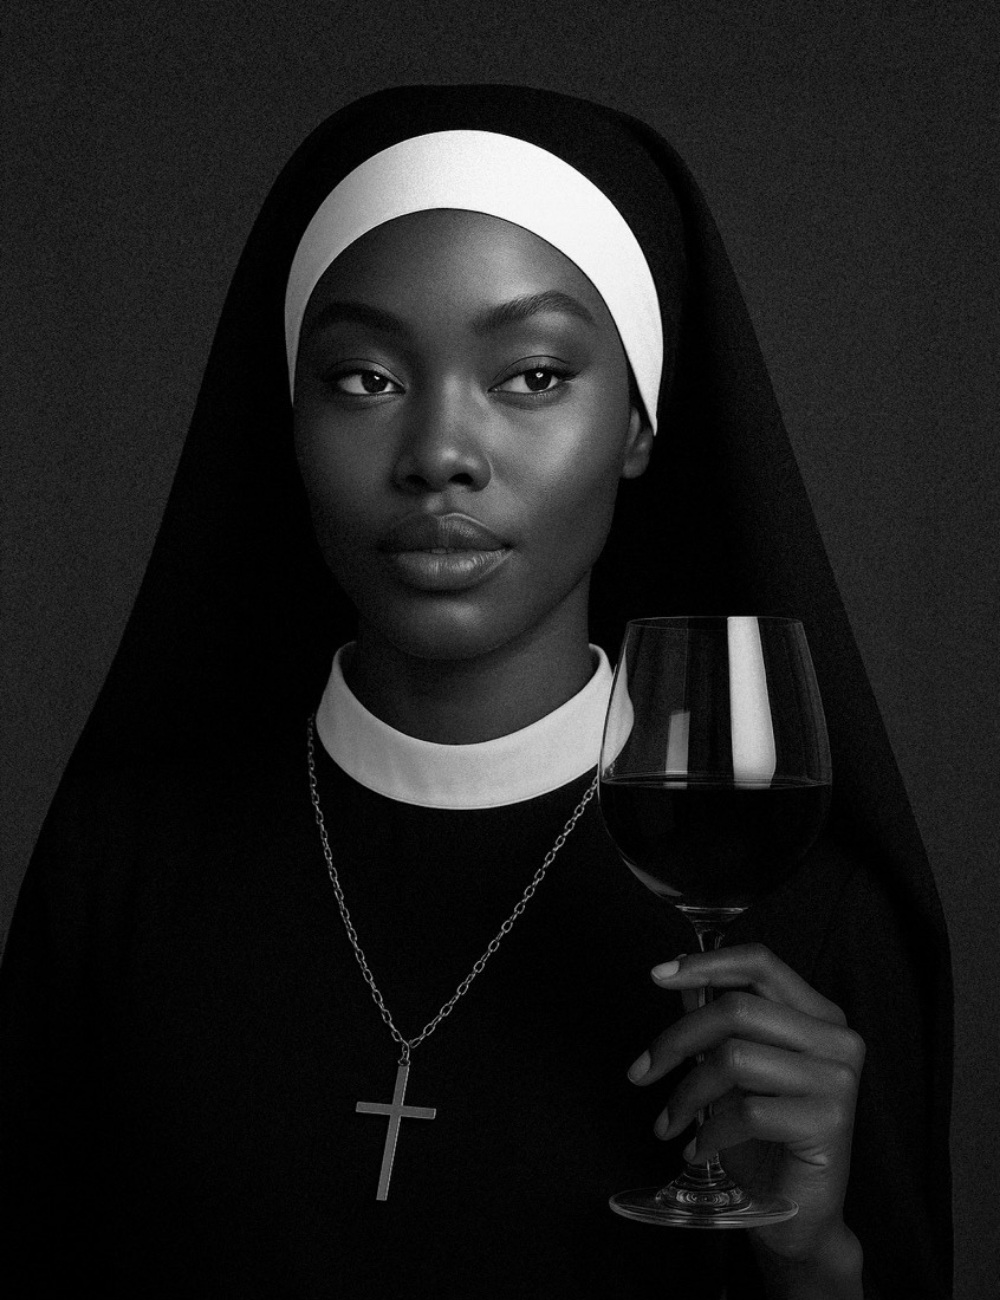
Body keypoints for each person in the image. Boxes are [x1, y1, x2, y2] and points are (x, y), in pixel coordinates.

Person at [0, 85, 952, 1298]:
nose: (440, 451)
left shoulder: (811, 924)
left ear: (639, 424)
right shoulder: (118, 869)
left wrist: (813, 1258)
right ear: (287, 421)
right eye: (363, 379)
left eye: (534, 375)